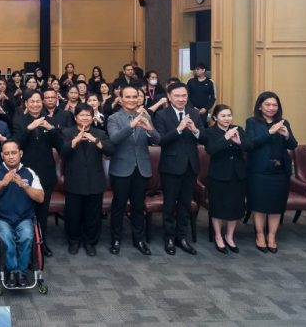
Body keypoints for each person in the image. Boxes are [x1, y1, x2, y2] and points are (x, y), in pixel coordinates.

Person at [0, 140, 44, 287]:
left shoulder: (29, 172)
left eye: (14, 153)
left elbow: (40, 198)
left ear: (20, 154)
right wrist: (2, 183)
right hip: (1, 217)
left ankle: (21, 272)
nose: (10, 156)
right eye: (7, 153)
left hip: (24, 217)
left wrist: (24, 185)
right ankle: (12, 270)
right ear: (2, 155)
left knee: (27, 236)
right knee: (6, 238)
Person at [106, 85, 160, 255]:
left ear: (139, 99)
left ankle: (139, 240)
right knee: (119, 206)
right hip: (121, 169)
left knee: (138, 206)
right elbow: (114, 139)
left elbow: (157, 139)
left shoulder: (145, 116)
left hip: (141, 169)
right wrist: (131, 125)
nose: (131, 100)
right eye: (127, 97)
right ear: (120, 99)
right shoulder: (114, 118)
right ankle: (116, 239)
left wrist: (150, 129)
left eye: (134, 97)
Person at [153, 81, 204, 255]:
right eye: (177, 96)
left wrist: (195, 130)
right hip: (170, 167)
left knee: (185, 204)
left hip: (191, 166)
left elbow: (203, 137)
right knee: (169, 204)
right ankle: (168, 237)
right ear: (169, 97)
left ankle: (181, 237)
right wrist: (179, 129)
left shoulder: (193, 113)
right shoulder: (161, 115)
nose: (181, 99)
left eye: (184, 96)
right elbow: (161, 140)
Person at [245, 91, 297, 253]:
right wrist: (270, 132)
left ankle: (272, 236)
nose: (271, 108)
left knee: (276, 205)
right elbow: (250, 144)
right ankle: (260, 235)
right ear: (260, 106)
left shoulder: (283, 122)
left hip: (280, 171)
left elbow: (293, 145)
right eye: (267, 104)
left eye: (275, 105)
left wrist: (286, 135)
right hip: (259, 171)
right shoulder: (252, 122)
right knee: (259, 204)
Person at [12, 89, 61, 257]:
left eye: (38, 101)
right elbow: (16, 145)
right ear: (26, 103)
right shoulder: (19, 121)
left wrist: (52, 129)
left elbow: (60, 146)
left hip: (46, 173)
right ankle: (23, 243)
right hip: (25, 174)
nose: (35, 104)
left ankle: (42, 243)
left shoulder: (50, 120)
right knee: (24, 211)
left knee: (42, 212)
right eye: (31, 101)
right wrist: (29, 128)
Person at [60, 103, 114, 256]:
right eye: (82, 115)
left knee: (93, 215)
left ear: (92, 117)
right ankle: (74, 241)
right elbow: (63, 152)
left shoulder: (100, 133)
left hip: (95, 180)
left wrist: (95, 140)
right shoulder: (67, 132)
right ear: (75, 117)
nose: (85, 118)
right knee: (73, 215)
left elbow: (110, 150)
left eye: (88, 115)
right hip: (74, 180)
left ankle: (90, 242)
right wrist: (75, 140)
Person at [204, 104, 250, 254]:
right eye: (223, 116)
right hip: (218, 175)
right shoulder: (210, 131)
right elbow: (211, 150)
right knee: (217, 207)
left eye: (229, 115)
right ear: (215, 117)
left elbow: (249, 146)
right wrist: (226, 137)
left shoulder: (238, 129)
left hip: (237, 174)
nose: (227, 118)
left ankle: (229, 236)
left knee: (235, 207)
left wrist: (239, 142)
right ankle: (218, 236)